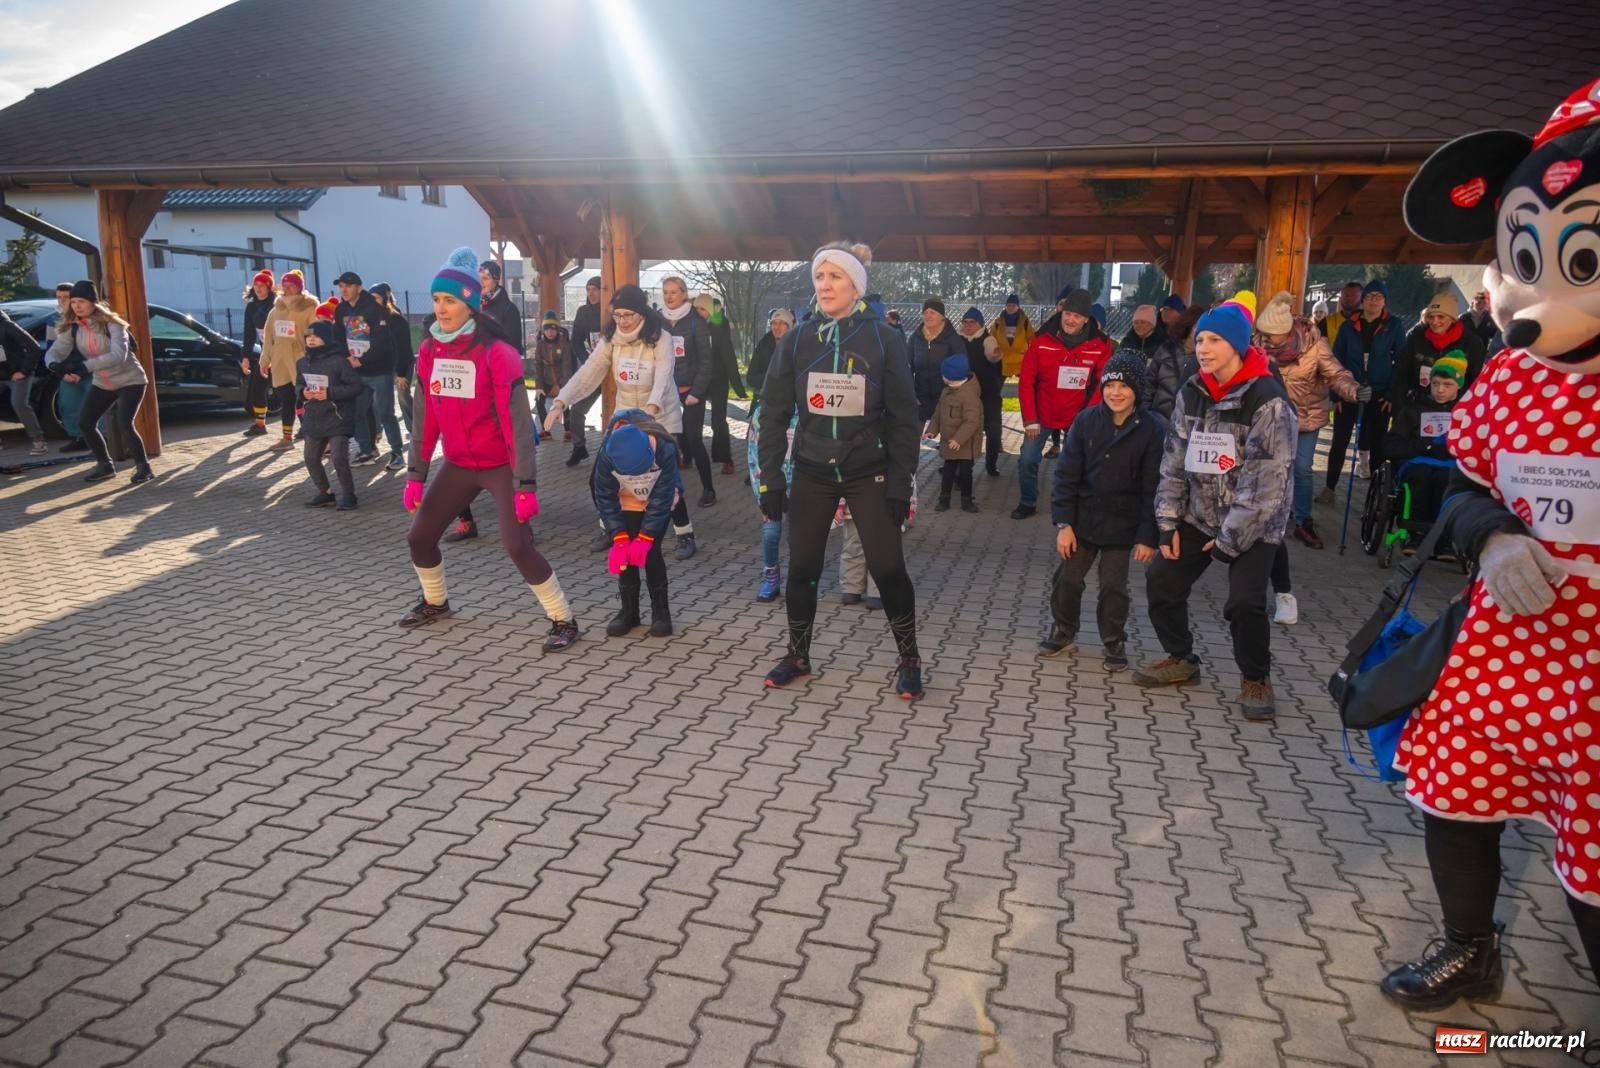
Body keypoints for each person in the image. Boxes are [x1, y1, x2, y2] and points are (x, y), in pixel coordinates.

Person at [756, 241, 922, 697]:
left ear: (856, 286)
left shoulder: (884, 339)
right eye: (819, 277)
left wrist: (901, 483)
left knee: (888, 569)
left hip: (869, 471)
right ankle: (798, 654)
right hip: (811, 469)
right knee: (803, 568)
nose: (824, 285)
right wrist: (769, 477)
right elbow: (771, 412)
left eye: (835, 277)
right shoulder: (797, 339)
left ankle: (909, 657)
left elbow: (905, 417)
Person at [400, 248, 579, 651]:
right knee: (419, 537)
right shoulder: (429, 351)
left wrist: (525, 485)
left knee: (516, 544)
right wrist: (416, 475)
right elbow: (424, 417)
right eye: (436, 300)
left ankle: (564, 620)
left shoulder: (497, 353)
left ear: (471, 303)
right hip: (459, 464)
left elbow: (518, 426)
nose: (441, 309)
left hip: (500, 465)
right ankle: (436, 603)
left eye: (450, 300)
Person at [1133, 297, 1295, 721]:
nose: (1203, 348)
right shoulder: (1193, 390)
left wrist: (1228, 543)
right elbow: (1174, 460)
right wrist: (1167, 523)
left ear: (1238, 345)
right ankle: (1181, 657)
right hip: (1200, 515)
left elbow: (1267, 485)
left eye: (1215, 340)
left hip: (1254, 525)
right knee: (1162, 582)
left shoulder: (1268, 400)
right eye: (1200, 339)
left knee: (1244, 603)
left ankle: (1256, 677)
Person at [546, 284, 699, 559]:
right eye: (618, 315)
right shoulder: (611, 340)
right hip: (625, 418)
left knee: (665, 480)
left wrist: (650, 410)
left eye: (628, 314)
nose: (623, 321)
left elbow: (664, 377)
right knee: (600, 479)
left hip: (660, 416)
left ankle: (684, 533)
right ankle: (609, 528)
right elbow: (587, 374)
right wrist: (561, 402)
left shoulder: (660, 338)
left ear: (641, 314)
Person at [1040, 350, 1164, 670]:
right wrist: (1064, 523)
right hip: (1083, 521)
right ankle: (1064, 629)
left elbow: (1154, 487)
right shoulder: (1085, 421)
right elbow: (1066, 476)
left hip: (1123, 526)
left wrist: (1148, 536)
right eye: (1110, 385)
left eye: (1124, 386)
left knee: (1113, 585)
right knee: (1067, 578)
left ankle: (1113, 638)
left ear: (1137, 389)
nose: (1116, 392)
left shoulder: (1151, 430)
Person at [1255, 291, 1362, 550]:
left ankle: (1304, 521)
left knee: (1301, 468)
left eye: (1272, 335)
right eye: (1264, 334)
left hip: (1306, 417)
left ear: (1287, 331)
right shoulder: (1257, 344)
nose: (1266, 340)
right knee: (1269, 467)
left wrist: (1354, 390)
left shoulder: (1315, 345)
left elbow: (1336, 374)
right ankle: (1264, 518)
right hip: (1270, 418)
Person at [1013, 289, 1113, 520]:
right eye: (1068, 313)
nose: (1070, 320)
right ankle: (1028, 502)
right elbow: (1026, 380)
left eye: (1077, 316)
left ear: (1086, 319)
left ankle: (1071, 507)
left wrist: (1087, 417)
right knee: (1027, 460)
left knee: (1079, 464)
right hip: (1042, 414)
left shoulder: (1100, 344)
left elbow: (1101, 382)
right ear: (1061, 312)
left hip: (1078, 416)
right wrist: (1030, 419)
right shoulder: (1042, 339)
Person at [46, 280, 152, 485]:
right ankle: (105, 466)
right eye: (74, 301)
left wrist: (85, 366)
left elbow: (118, 356)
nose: (76, 305)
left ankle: (143, 467)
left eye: (82, 301)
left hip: (130, 379)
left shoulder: (113, 324)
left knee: (124, 423)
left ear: (94, 302)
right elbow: (55, 351)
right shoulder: (73, 327)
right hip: (103, 382)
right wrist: (53, 365)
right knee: (85, 423)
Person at [595, 412, 682, 637]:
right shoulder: (607, 454)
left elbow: (662, 498)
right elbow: (604, 496)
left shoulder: (664, 448)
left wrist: (646, 536)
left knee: (651, 553)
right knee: (626, 557)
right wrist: (619, 536)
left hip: (657, 501)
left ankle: (661, 612)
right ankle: (629, 612)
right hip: (627, 503)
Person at [1324, 279, 1401, 492]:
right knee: (1340, 441)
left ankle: (1375, 493)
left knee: (1377, 444)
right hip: (1350, 390)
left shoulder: (1393, 325)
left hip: (1379, 392)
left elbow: (1401, 361)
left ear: (1384, 301)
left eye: (1378, 297)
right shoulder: (1349, 326)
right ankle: (1329, 488)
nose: (1373, 301)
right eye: (1369, 297)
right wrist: (1336, 395)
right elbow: (1335, 361)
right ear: (1363, 300)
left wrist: (1391, 394)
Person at [1379, 354, 1463, 550]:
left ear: (1458, 386)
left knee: (1447, 481)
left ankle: (1443, 538)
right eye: (1435, 383)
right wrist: (1419, 446)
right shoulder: (1413, 410)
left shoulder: (1465, 414)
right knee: (1420, 477)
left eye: (1447, 384)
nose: (1440, 390)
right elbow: (1390, 445)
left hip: (1449, 464)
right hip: (1417, 461)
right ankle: (1415, 533)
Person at [333, 270, 406, 470]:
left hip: (378, 371)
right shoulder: (340, 310)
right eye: (340, 286)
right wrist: (347, 358)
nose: (344, 290)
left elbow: (382, 341)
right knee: (356, 413)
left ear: (359, 287)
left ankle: (398, 453)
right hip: (355, 372)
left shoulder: (374, 309)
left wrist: (362, 360)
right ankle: (367, 450)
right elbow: (337, 338)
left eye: (348, 286)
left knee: (385, 414)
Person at [660, 276, 717, 508]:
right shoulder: (657, 320)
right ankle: (664, 488)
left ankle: (708, 489)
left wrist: (697, 391)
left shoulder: (696, 322)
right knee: (665, 440)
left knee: (693, 439)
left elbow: (706, 361)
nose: (669, 296)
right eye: (666, 292)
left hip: (691, 390)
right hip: (666, 389)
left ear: (684, 294)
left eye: (674, 292)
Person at [295, 319, 362, 509]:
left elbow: (356, 386)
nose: (311, 340)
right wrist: (302, 392)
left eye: (316, 336)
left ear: (325, 338)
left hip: (337, 416)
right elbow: (298, 384)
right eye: (308, 336)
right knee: (310, 457)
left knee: (339, 457)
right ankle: (325, 492)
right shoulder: (302, 363)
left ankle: (349, 496)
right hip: (314, 417)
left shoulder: (339, 361)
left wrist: (330, 393)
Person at [1390, 291, 1487, 414]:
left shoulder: (1471, 342)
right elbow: (1402, 373)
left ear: (1452, 318)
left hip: (1455, 410)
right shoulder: (1417, 336)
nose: (1435, 322)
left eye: (1441, 317)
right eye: (1431, 317)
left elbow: (1476, 380)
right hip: (1419, 406)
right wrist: (1399, 409)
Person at [258, 269, 318, 451]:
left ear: (299, 288)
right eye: (284, 286)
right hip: (280, 360)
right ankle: (287, 437)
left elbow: (315, 333)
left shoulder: (309, 308)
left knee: (306, 398)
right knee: (286, 399)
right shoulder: (276, 310)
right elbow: (268, 337)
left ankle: (314, 436)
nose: (287, 289)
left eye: (291, 285)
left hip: (301, 358)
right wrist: (264, 359)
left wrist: (314, 357)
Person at [695, 293, 747, 475]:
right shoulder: (692, 327)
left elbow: (728, 356)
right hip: (698, 380)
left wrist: (737, 385)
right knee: (692, 419)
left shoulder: (719, 327)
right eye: (697, 309)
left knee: (718, 420)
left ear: (709, 310)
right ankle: (687, 454)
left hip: (718, 380)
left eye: (703, 309)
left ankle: (726, 459)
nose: (699, 312)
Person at [924, 353, 981, 512]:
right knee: (948, 471)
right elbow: (938, 413)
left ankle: (967, 500)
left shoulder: (969, 395)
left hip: (964, 443)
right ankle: (944, 499)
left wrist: (959, 439)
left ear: (950, 376)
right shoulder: (946, 391)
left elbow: (972, 421)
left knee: (965, 473)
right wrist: (932, 430)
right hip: (949, 441)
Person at [958, 307, 1004, 476]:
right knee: (962, 430)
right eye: (965, 322)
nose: (968, 325)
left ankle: (991, 464)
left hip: (988, 393)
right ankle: (958, 468)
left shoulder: (988, 339)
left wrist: (995, 354)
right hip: (965, 393)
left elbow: (992, 353)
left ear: (980, 324)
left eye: (973, 322)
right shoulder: (957, 340)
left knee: (993, 430)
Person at [43, 282, 89, 453]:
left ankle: (104, 438)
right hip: (66, 370)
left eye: (66, 298)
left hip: (88, 368)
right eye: (59, 298)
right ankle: (78, 437)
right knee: (68, 405)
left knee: (94, 405)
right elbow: (51, 348)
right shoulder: (53, 320)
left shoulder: (86, 318)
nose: (62, 301)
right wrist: (60, 371)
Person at [907, 298, 966, 426]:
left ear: (942, 317)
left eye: (932, 312)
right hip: (920, 396)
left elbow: (962, 367)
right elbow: (907, 366)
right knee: (910, 437)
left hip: (946, 397)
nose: (928, 315)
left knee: (949, 440)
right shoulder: (915, 338)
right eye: (925, 312)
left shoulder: (953, 339)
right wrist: (911, 392)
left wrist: (955, 396)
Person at [565, 276, 604, 466]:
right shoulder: (583, 312)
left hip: (616, 371)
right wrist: (587, 359)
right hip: (594, 368)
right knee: (576, 411)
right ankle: (579, 447)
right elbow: (576, 341)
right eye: (588, 289)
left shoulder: (611, 311)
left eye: (595, 289)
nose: (591, 293)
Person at [0, 308, 47, 455]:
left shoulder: (7, 326)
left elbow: (33, 347)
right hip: (2, 375)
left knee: (19, 403)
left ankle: (39, 441)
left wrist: (24, 371)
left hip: (18, 373)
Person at [1145, 305, 1203, 421]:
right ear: (1189, 325)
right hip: (1158, 420)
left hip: (1189, 425)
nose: (1201, 332)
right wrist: (1145, 418)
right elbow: (1148, 386)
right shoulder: (1166, 350)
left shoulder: (1208, 358)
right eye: (1198, 326)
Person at [239, 268, 276, 438]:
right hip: (265, 353)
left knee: (288, 391)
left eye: (262, 285)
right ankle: (260, 424)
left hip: (281, 351)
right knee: (257, 387)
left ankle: (299, 428)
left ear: (269, 287)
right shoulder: (252, 307)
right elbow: (248, 333)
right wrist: (245, 356)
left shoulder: (276, 304)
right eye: (256, 284)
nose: (259, 288)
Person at [532, 310, 571, 430]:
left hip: (561, 380)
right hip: (546, 379)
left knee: (564, 402)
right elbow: (538, 366)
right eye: (547, 328)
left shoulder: (564, 344)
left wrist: (560, 386)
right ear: (543, 330)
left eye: (553, 328)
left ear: (557, 330)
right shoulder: (540, 345)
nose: (550, 331)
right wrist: (539, 387)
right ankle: (545, 429)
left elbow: (567, 366)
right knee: (539, 401)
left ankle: (568, 429)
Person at [988, 293, 1035, 381]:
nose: (1011, 308)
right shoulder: (998, 323)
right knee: (996, 387)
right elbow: (991, 338)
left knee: (1026, 387)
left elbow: (1031, 338)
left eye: (1013, 305)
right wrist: (993, 349)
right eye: (1009, 305)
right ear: (1005, 306)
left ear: (1018, 307)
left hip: (1020, 361)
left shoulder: (1025, 322)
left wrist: (1032, 354)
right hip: (1002, 361)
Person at [746, 308, 793, 392]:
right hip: (764, 397)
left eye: (781, 323)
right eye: (774, 323)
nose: (776, 327)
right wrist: (772, 378)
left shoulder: (797, 346)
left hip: (789, 400)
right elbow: (751, 378)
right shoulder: (763, 345)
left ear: (789, 327)